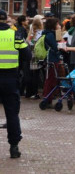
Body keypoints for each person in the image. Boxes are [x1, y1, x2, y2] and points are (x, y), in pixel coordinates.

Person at [0, 9, 28, 158]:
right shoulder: (15, 34)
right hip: (10, 78)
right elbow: (27, 55)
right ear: (6, 20)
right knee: (11, 113)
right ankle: (14, 147)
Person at [40, 17, 61, 108]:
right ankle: (47, 99)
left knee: (49, 79)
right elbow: (55, 48)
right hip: (52, 59)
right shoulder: (51, 35)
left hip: (49, 59)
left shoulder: (46, 34)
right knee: (51, 79)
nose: (59, 26)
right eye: (57, 24)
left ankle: (47, 98)